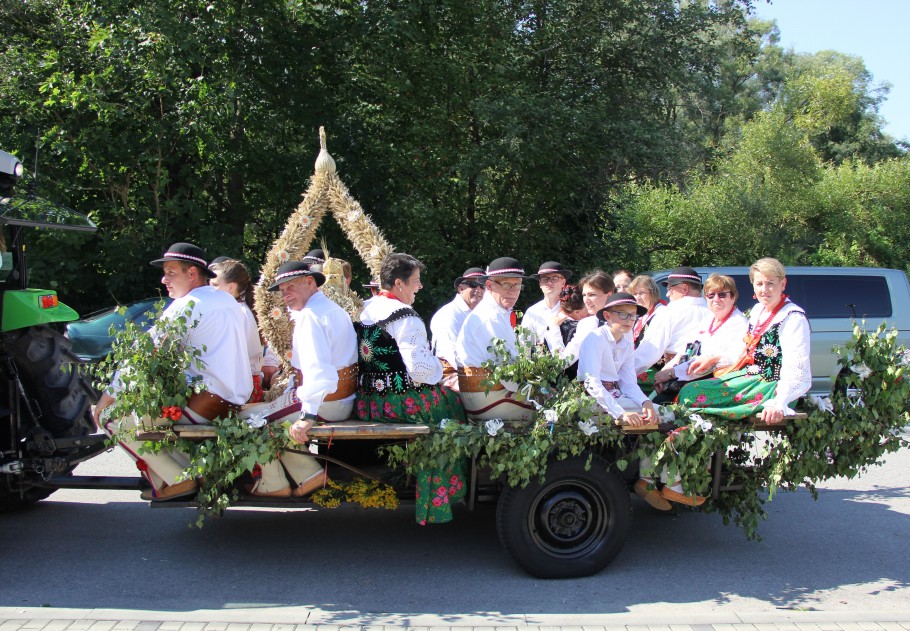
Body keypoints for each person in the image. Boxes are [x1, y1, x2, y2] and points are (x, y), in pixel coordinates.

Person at [94, 242, 253, 501]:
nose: (164, 279)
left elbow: (144, 353)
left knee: (113, 418)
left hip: (204, 403)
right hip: (233, 400)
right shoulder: (226, 300)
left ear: (192, 273)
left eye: (171, 272)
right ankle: (191, 473)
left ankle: (177, 479)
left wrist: (107, 396)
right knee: (150, 416)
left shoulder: (187, 305)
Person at [355, 253, 467, 524]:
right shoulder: (406, 318)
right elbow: (419, 370)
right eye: (416, 281)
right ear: (398, 283)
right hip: (399, 402)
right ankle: (442, 495)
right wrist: (442, 369)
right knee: (451, 405)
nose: (420, 287)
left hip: (369, 402)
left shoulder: (367, 310)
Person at [241, 261, 359, 497]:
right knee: (265, 413)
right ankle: (308, 475)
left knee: (247, 418)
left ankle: (275, 483)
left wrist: (307, 417)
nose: (285, 295)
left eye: (290, 287)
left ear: (310, 282)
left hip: (326, 403)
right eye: (282, 290)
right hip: (341, 401)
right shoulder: (332, 310)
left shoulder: (310, 316)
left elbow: (319, 372)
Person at [577, 293, 679, 511]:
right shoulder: (595, 338)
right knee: (656, 418)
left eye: (632, 316)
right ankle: (662, 481)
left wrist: (646, 404)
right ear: (607, 315)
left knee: (665, 415)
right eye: (622, 314)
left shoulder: (626, 341)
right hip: (591, 401)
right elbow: (591, 382)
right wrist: (620, 413)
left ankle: (649, 480)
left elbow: (628, 382)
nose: (628, 320)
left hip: (614, 397)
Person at [679, 258, 811, 424]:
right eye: (759, 284)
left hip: (772, 387)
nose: (764, 290)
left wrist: (779, 402)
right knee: (686, 390)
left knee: (691, 394)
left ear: (783, 284)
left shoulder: (793, 318)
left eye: (770, 283)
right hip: (749, 377)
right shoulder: (758, 311)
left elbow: (797, 368)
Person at [454, 257, 535, 420]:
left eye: (517, 285)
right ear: (490, 285)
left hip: (488, 395)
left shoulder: (497, 312)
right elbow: (508, 376)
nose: (513, 291)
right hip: (490, 399)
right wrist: (538, 389)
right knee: (558, 412)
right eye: (506, 284)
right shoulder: (491, 317)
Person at [651, 274, 748, 400]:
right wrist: (666, 371)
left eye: (722, 295)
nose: (716, 299)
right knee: (654, 399)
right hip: (688, 375)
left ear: (733, 297)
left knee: (663, 401)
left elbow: (726, 360)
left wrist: (671, 373)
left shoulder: (739, 324)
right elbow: (686, 350)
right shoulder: (708, 319)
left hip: (716, 381)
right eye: (711, 295)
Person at [634, 266, 711, 376]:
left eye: (670, 289)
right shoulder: (712, 312)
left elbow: (649, 351)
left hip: (675, 376)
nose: (667, 294)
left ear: (684, 289)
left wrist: (621, 374)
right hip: (706, 376)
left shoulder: (669, 312)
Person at [210, 259, 264, 402]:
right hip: (238, 384)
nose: (210, 289)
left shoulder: (240, 313)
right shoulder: (234, 311)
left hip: (241, 388)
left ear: (231, 287)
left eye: (215, 285)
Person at [544, 270, 615, 369]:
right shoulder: (623, 320)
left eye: (592, 295)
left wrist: (554, 328)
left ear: (609, 295)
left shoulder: (589, 324)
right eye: (584, 295)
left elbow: (563, 362)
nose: (586, 300)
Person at [429, 267, 485, 385]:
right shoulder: (449, 314)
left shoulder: (480, 314)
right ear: (461, 288)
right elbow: (453, 356)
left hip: (474, 372)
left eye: (482, 286)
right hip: (450, 376)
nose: (479, 289)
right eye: (473, 284)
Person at [522, 261, 572, 345]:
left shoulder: (572, 310)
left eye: (554, 278)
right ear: (540, 283)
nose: (549, 283)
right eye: (545, 279)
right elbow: (524, 346)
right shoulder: (532, 312)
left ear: (563, 282)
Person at [627, 275, 666, 348]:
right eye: (634, 294)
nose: (637, 298)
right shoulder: (640, 315)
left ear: (652, 293)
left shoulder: (661, 313)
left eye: (641, 293)